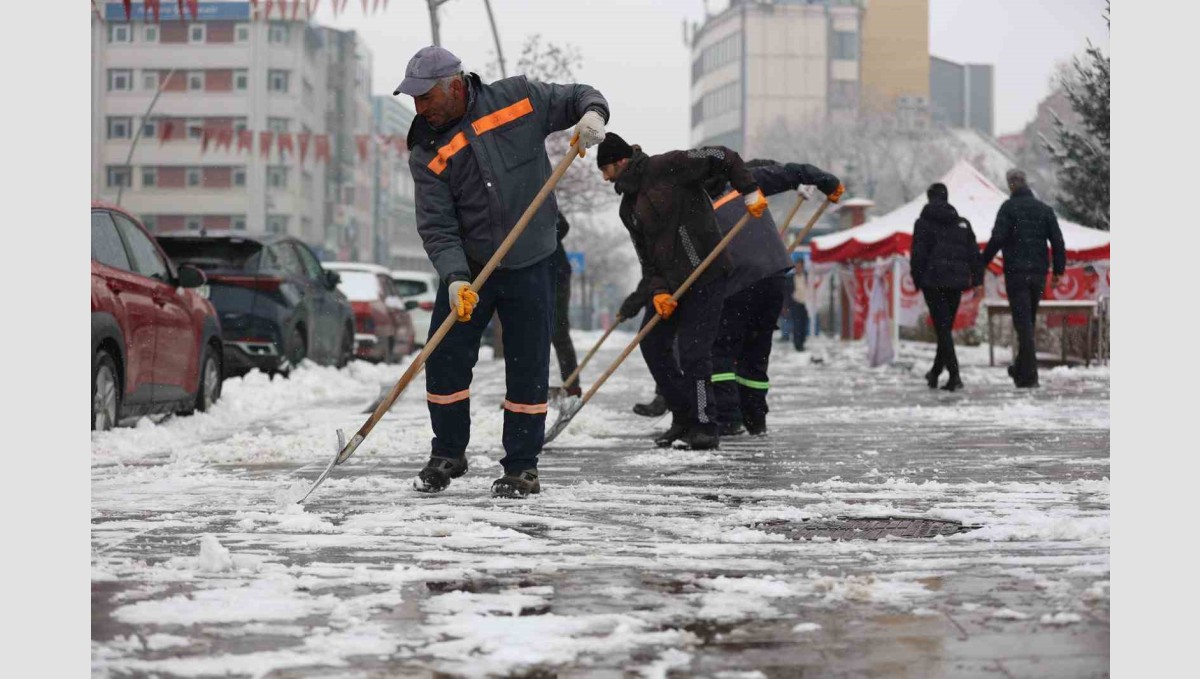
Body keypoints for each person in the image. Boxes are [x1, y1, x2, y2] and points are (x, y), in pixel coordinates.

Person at [397, 45, 608, 498]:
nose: (420, 108)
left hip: (532, 257)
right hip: (471, 268)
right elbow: (437, 224)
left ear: (454, 86)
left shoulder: (518, 97)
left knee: (528, 363)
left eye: (426, 98)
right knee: (446, 358)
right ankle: (448, 452)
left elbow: (579, 95)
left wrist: (592, 115)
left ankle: (521, 466)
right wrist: (455, 278)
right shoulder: (425, 147)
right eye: (414, 100)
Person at [601, 133, 767, 450]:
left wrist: (749, 190)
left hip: (707, 273)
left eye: (605, 168)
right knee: (652, 342)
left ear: (620, 161)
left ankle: (705, 424)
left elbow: (723, 155)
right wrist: (659, 291)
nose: (604, 177)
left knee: (694, 352)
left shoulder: (670, 165)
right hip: (672, 284)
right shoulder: (628, 208)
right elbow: (646, 258)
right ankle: (683, 417)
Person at [704, 159, 842, 436]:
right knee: (755, 351)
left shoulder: (701, 205)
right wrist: (826, 181)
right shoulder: (747, 184)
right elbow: (788, 171)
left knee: (721, 349)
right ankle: (756, 419)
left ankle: (729, 419)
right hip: (774, 276)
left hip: (738, 282)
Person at [979, 169, 1065, 389]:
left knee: (1023, 323)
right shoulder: (1044, 210)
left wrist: (981, 262)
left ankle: (1030, 376)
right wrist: (1058, 271)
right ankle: (1021, 370)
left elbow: (997, 238)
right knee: (1028, 321)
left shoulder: (1008, 208)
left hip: (1016, 273)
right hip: (1038, 274)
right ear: (1026, 183)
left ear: (1010, 185)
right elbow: (1057, 241)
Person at [910, 182, 982, 391]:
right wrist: (977, 280)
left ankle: (955, 376)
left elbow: (918, 254)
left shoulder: (923, 223)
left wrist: (917, 280)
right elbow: (974, 253)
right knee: (945, 328)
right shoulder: (962, 223)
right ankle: (935, 372)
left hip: (933, 282)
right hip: (957, 283)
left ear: (929, 198)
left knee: (943, 329)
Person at [551, 213, 581, 398]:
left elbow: (562, 225)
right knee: (528, 333)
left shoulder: (536, 190)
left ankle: (572, 386)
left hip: (555, 272)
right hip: (525, 272)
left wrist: (536, 238)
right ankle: (527, 388)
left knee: (558, 330)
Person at [789, 258, 810, 352]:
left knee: (804, 324)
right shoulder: (790, 278)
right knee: (797, 324)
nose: (798, 268)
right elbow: (787, 292)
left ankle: (802, 341)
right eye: (796, 266)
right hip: (795, 303)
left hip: (806, 303)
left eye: (800, 266)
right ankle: (797, 344)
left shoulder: (808, 277)